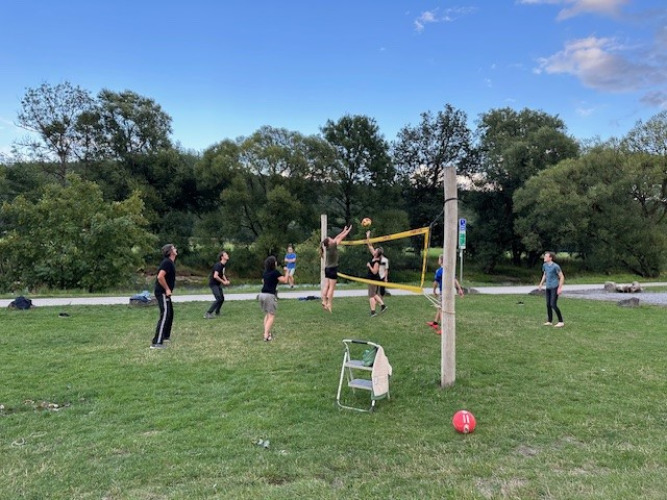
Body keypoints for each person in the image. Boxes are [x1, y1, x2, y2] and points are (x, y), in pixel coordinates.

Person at [426, 254, 464, 334]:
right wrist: (459, 289)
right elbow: (455, 280)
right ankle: (435, 323)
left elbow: (435, 282)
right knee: (440, 307)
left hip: (443, 292)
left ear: (441, 261)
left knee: (443, 309)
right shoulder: (449, 270)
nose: (438, 260)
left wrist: (434, 290)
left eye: (439, 259)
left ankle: (444, 329)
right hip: (449, 292)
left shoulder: (439, 271)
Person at [319, 225, 352, 312]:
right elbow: (340, 237)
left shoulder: (328, 247)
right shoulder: (333, 246)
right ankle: (329, 303)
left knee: (326, 285)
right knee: (332, 288)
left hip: (327, 268)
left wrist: (343, 230)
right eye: (330, 239)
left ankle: (324, 301)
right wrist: (347, 232)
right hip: (333, 269)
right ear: (330, 243)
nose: (332, 239)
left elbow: (337, 237)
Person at [151, 244, 178, 349]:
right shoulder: (167, 262)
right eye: (174, 248)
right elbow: (160, 277)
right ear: (170, 251)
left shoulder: (170, 263)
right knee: (165, 314)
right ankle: (157, 342)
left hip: (164, 292)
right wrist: (167, 289)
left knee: (170, 313)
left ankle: (165, 336)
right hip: (161, 292)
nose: (176, 249)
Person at [259, 255, 290, 341]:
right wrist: (287, 272)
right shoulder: (275, 272)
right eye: (275, 261)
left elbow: (263, 281)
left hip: (262, 295)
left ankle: (267, 333)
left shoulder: (265, 272)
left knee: (267, 314)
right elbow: (285, 280)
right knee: (271, 316)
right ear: (273, 263)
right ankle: (266, 335)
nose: (276, 263)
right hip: (269, 295)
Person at [538, 251, 565, 327]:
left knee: (553, 304)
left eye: (546, 256)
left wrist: (559, 288)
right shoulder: (545, 265)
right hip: (548, 287)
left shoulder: (556, 266)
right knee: (548, 304)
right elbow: (545, 275)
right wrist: (541, 284)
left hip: (554, 287)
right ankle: (549, 321)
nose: (544, 258)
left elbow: (562, 277)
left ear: (550, 258)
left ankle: (561, 321)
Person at [365, 231, 387, 316]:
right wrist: (368, 237)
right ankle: (383, 306)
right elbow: (370, 245)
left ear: (377, 254)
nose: (374, 250)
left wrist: (369, 266)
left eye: (376, 250)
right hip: (372, 279)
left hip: (373, 279)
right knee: (374, 294)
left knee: (371, 296)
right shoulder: (374, 257)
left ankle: (373, 312)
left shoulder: (377, 261)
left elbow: (374, 271)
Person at [204, 251, 230, 319]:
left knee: (222, 299)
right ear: (222, 257)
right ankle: (208, 313)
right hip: (213, 284)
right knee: (218, 298)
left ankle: (217, 312)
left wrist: (226, 280)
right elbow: (215, 276)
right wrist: (223, 282)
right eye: (226, 255)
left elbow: (222, 274)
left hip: (218, 284)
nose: (227, 255)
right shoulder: (218, 265)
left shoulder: (223, 265)